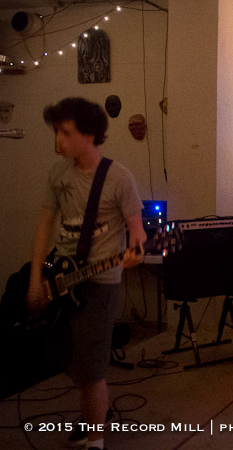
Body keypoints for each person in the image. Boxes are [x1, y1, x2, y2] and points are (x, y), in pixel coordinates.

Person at [26, 97, 146, 450]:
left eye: (65, 133)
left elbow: (137, 232)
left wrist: (135, 251)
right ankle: (96, 412)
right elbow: (44, 227)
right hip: (60, 276)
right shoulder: (57, 175)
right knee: (68, 359)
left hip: (100, 284)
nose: (58, 141)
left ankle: (96, 440)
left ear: (89, 133)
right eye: (56, 132)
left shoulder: (118, 177)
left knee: (92, 368)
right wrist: (36, 279)